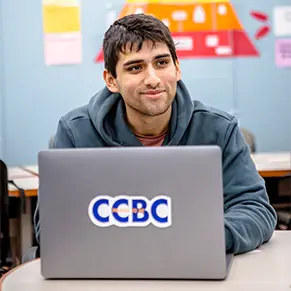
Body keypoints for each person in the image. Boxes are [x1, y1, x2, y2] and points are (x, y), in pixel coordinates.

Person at [34, 13, 277, 255]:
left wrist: (208, 238)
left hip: (193, 260)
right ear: (111, 80)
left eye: (161, 63)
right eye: (135, 67)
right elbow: (51, 224)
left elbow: (254, 208)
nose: (152, 79)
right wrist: (128, 244)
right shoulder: (75, 132)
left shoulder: (219, 129)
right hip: (109, 266)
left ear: (177, 68)